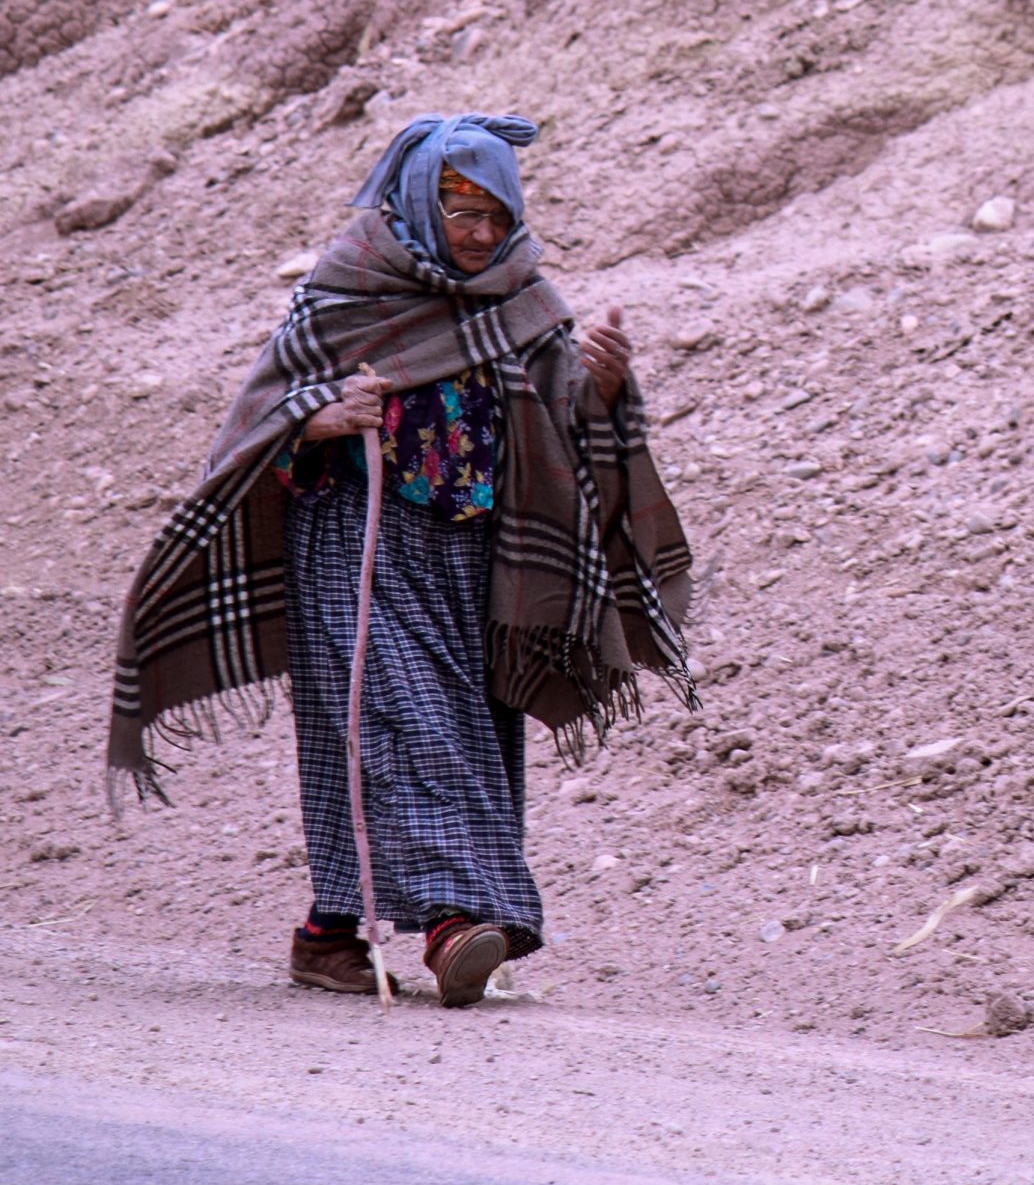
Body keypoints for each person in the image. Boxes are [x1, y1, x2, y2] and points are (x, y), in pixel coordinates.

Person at [109, 113, 697, 1008]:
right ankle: (456, 924)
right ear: (422, 202)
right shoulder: (347, 290)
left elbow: (566, 424)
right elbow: (259, 417)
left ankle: (327, 933)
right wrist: (318, 419)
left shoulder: (520, 299)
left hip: (475, 553)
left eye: (497, 214)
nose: (482, 233)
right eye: (463, 210)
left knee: (452, 728)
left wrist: (605, 385)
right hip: (356, 537)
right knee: (403, 721)